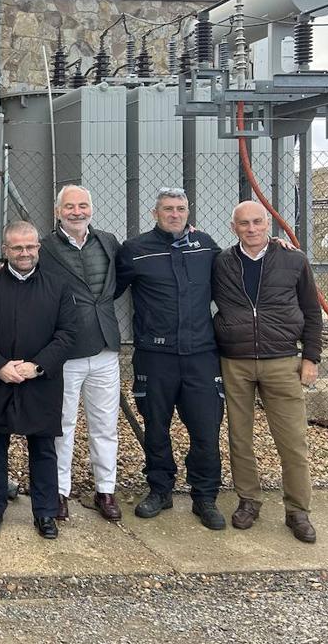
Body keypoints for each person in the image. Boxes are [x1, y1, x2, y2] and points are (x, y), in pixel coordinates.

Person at [115, 188, 226, 530]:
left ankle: (204, 497)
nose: (174, 214)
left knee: (206, 431)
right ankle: (159, 490)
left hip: (201, 356)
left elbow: (240, 269)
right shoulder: (135, 250)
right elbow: (103, 290)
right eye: (167, 209)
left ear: (188, 211)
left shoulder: (206, 246)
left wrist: (276, 246)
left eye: (180, 208)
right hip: (155, 356)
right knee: (156, 430)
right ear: (155, 213)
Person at [212, 201, 322, 543]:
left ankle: (297, 509)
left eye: (258, 222)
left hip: (281, 360)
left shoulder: (293, 259)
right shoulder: (221, 262)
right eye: (244, 223)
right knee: (239, 436)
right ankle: (249, 499)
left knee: (292, 439)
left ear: (268, 224)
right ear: (234, 228)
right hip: (236, 361)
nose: (251, 228)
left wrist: (311, 358)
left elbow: (311, 309)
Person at [0, 221, 77, 538]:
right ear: (5, 250)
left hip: (41, 380)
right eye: (18, 247)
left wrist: (37, 366)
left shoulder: (58, 286)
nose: (25, 253)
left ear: (38, 248)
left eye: (30, 247)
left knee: (43, 448)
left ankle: (45, 513)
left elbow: (67, 334)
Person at [40, 185, 124, 522]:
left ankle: (106, 489)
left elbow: (126, 277)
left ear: (91, 208)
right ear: (58, 210)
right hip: (66, 351)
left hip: (106, 346)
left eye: (83, 205)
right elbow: (23, 271)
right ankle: (59, 492)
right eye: (70, 206)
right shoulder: (44, 247)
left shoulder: (108, 241)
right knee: (63, 424)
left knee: (105, 425)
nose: (77, 211)